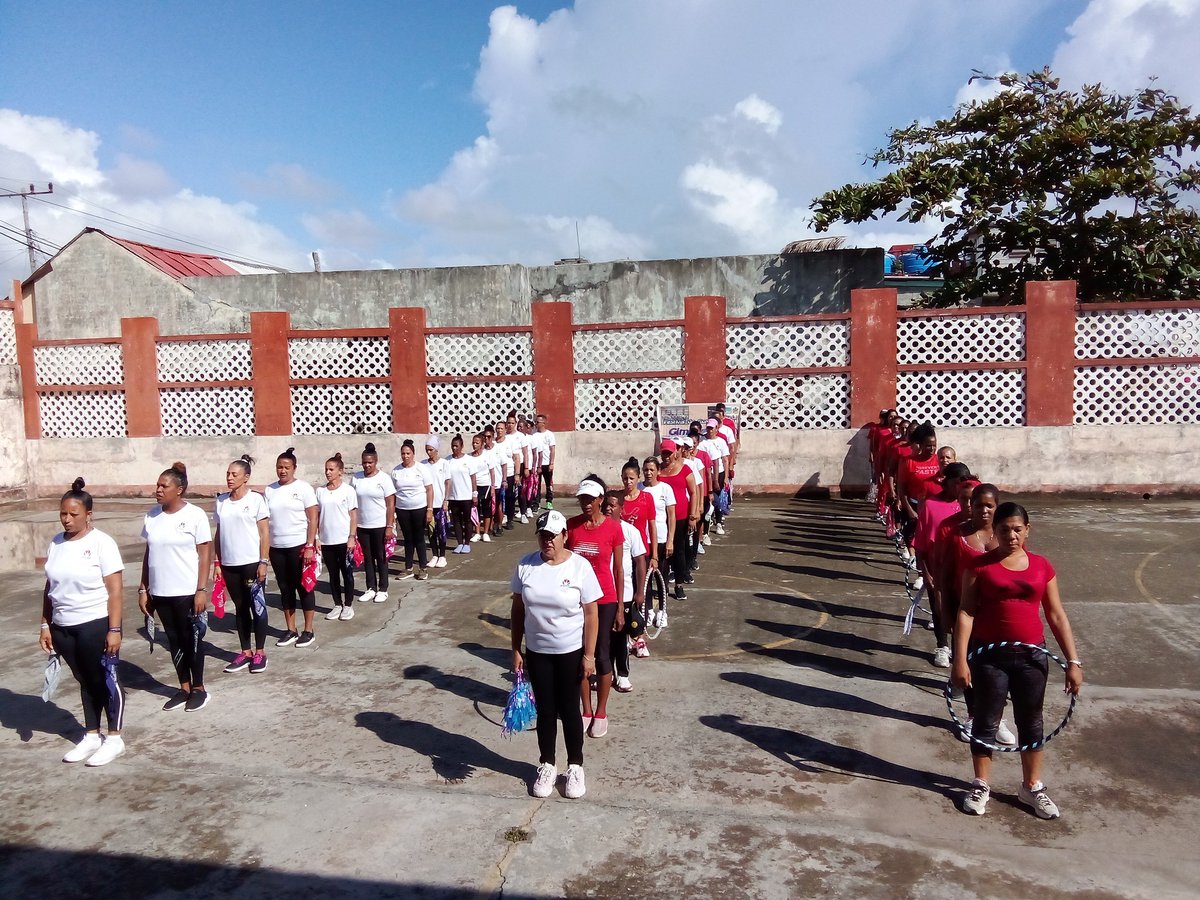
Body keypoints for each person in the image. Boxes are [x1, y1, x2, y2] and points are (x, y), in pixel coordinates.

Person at [952, 502, 1083, 819]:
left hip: (1032, 656)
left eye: (1017, 529)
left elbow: (1056, 614)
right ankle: (981, 784)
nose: (1011, 535)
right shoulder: (979, 566)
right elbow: (966, 612)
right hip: (989, 656)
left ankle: (1031, 787)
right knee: (986, 721)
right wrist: (960, 659)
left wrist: (1073, 661)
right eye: (1004, 529)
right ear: (994, 531)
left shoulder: (1041, 566)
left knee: (1031, 722)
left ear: (1028, 529)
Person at [510, 509, 601, 799]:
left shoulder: (579, 567)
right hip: (537, 653)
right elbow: (517, 609)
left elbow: (591, 614)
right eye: (543, 536)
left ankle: (575, 766)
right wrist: (515, 648)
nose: (547, 541)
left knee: (570, 710)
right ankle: (547, 764)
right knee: (546, 712)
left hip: (569, 652)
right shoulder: (526, 565)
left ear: (565, 536)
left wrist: (589, 655)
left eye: (552, 535)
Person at [40, 478, 127, 765]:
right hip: (63, 625)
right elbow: (48, 587)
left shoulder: (102, 543)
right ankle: (91, 734)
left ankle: (114, 738)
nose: (66, 519)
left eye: (73, 514)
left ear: (88, 514)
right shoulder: (56, 543)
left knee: (104, 679)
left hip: (95, 622)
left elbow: (115, 590)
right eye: (63, 513)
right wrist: (45, 624)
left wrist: (114, 630)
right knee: (84, 680)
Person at [139, 462, 213, 712]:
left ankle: (199, 689)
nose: (158, 490)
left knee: (191, 639)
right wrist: (143, 589)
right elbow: (148, 554)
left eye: (164, 486)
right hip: (160, 592)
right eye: (157, 485)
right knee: (173, 641)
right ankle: (183, 687)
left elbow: (205, 554)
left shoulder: (194, 515)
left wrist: (201, 589)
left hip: (186, 591)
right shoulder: (152, 516)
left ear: (179, 489)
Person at [566, 477, 625, 738]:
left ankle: (601, 711)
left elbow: (619, 569)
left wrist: (621, 607)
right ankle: (585, 709)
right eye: (582, 499)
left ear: (601, 499)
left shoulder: (613, 529)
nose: (586, 504)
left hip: (604, 600)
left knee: (601, 654)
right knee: (579, 654)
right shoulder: (572, 527)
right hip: (576, 600)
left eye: (590, 499)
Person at [214, 455, 271, 672]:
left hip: (251, 563)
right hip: (229, 564)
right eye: (228, 474)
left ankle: (260, 652)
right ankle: (245, 651)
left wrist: (263, 561)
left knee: (257, 606)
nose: (229, 478)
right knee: (240, 608)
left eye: (234, 474)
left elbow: (265, 533)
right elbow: (219, 534)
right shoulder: (221, 501)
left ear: (246, 477)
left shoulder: (256, 500)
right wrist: (217, 562)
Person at [266, 448, 319, 647]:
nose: (282, 471)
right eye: (279, 467)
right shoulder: (270, 490)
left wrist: (310, 545)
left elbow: (313, 518)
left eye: (287, 467)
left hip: (299, 546)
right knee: (285, 589)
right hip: (276, 547)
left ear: (294, 468)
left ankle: (308, 629)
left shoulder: (304, 488)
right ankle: (291, 629)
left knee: (304, 587)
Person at [604, 491, 646, 693]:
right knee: (603, 639)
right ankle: (606, 673)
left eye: (613, 505)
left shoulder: (630, 532)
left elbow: (640, 562)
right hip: (603, 594)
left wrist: (640, 592)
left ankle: (622, 674)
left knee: (620, 637)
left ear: (621, 508)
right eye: (606, 505)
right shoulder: (598, 530)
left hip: (626, 594)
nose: (608, 508)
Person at [317, 453, 358, 621]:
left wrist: (351, 537)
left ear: (340, 471)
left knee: (346, 573)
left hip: (344, 540)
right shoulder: (320, 491)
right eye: (326, 469)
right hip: (327, 541)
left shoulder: (348, 491)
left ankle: (348, 605)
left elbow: (353, 516)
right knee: (333, 574)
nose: (328, 472)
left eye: (331, 469)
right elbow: (316, 516)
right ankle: (337, 604)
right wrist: (316, 537)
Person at [658, 439, 700, 601]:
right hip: (663, 518)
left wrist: (693, 516)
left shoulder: (685, 469)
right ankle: (663, 585)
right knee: (664, 552)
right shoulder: (658, 470)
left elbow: (694, 492)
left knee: (679, 551)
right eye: (664, 453)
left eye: (669, 453)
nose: (667, 456)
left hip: (681, 517)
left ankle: (679, 584)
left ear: (675, 452)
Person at [354, 441, 396, 603]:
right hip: (362, 526)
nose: (367, 465)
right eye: (364, 462)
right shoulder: (356, 478)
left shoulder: (384, 479)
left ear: (376, 462)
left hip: (380, 525)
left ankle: (383, 588)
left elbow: (390, 504)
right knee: (368, 558)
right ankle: (371, 587)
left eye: (370, 462)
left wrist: (389, 526)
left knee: (381, 557)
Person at [391, 438, 434, 580]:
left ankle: (423, 567)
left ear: (413, 454)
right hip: (402, 509)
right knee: (408, 539)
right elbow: (393, 493)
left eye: (408, 453)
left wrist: (429, 509)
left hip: (419, 508)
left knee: (419, 538)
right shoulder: (396, 471)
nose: (405, 456)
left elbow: (429, 489)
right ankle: (408, 568)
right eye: (403, 453)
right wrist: (393, 513)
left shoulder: (421, 469)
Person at [445, 434, 479, 554]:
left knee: (467, 520)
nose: (454, 448)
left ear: (462, 446)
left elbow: (473, 478)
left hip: (466, 496)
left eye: (456, 446)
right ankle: (460, 543)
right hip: (453, 496)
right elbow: (446, 480)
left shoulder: (468, 460)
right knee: (456, 521)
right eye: (452, 446)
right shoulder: (447, 460)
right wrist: (446, 497)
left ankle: (467, 543)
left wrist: (474, 494)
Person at [421, 436, 451, 567]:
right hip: (429, 505)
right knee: (431, 530)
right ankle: (434, 555)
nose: (429, 452)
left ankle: (442, 556)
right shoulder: (423, 465)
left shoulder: (444, 463)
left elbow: (447, 483)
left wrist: (446, 500)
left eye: (431, 450)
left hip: (440, 503)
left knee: (441, 530)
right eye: (427, 450)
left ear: (436, 450)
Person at [470, 433, 497, 542]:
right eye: (473, 442)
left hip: (485, 485)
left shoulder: (487, 455)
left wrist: (493, 487)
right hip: (473, 486)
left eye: (477, 443)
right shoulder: (469, 457)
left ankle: (485, 532)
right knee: (475, 508)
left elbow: (492, 472)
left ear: (482, 444)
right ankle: (477, 532)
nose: (474, 445)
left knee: (486, 509)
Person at [533, 413, 557, 510]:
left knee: (548, 484)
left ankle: (549, 501)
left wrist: (551, 463)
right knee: (536, 485)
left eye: (538, 422)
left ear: (543, 423)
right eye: (536, 422)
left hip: (547, 464)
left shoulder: (549, 435)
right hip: (537, 464)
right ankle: (536, 503)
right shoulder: (534, 435)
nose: (536, 424)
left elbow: (552, 449)